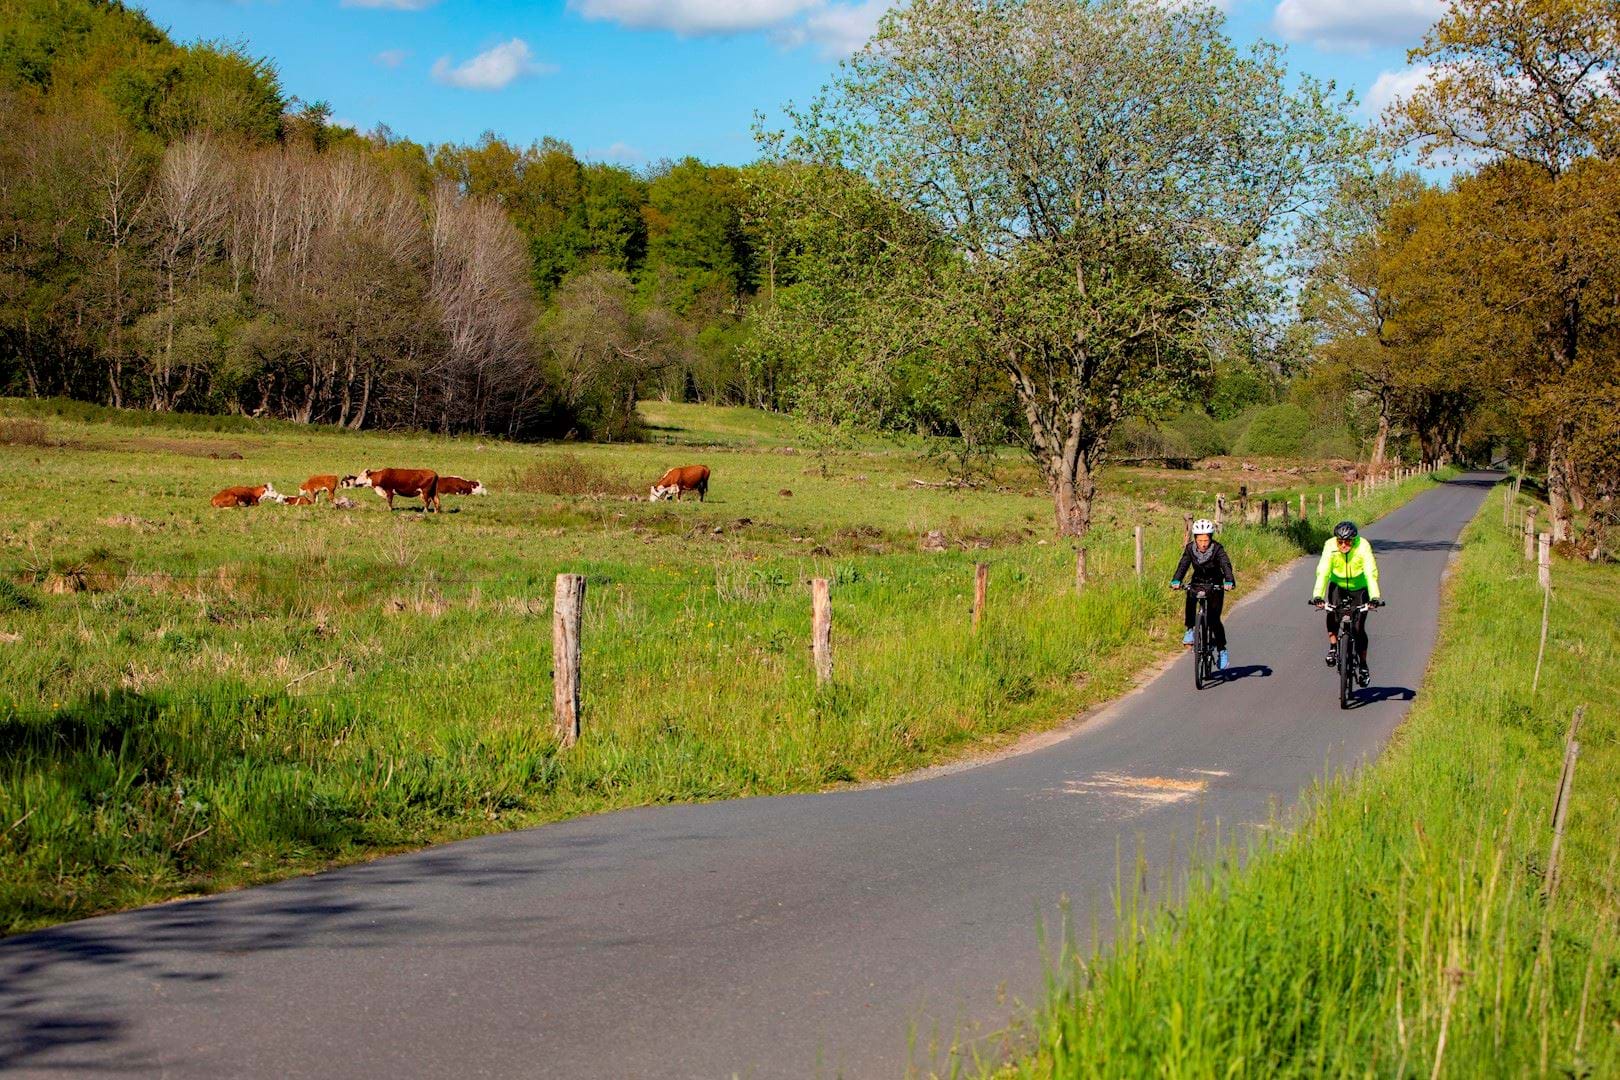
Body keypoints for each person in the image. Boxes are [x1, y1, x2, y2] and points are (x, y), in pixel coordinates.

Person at [1311, 520, 1383, 686]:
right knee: (1332, 614)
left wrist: (1374, 597)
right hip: (1338, 586)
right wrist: (1318, 596)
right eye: (1340, 541)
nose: (1344, 545)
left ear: (1354, 539)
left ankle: (1363, 666)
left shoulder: (1363, 546)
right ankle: (1333, 647)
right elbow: (1323, 571)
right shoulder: (1330, 546)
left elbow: (1371, 572)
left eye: (1348, 541)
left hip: (1360, 589)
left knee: (1358, 628)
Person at [1170, 519, 1235, 670]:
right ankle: (1190, 629)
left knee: (1214, 619)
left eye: (1206, 539)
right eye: (1200, 540)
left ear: (1211, 538)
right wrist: (1176, 580)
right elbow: (1183, 565)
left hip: (1215, 584)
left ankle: (1222, 649)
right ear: (1195, 539)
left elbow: (1226, 565)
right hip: (1198, 581)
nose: (1204, 543)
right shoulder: (1190, 549)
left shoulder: (1218, 549)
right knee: (1190, 596)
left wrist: (1229, 581)